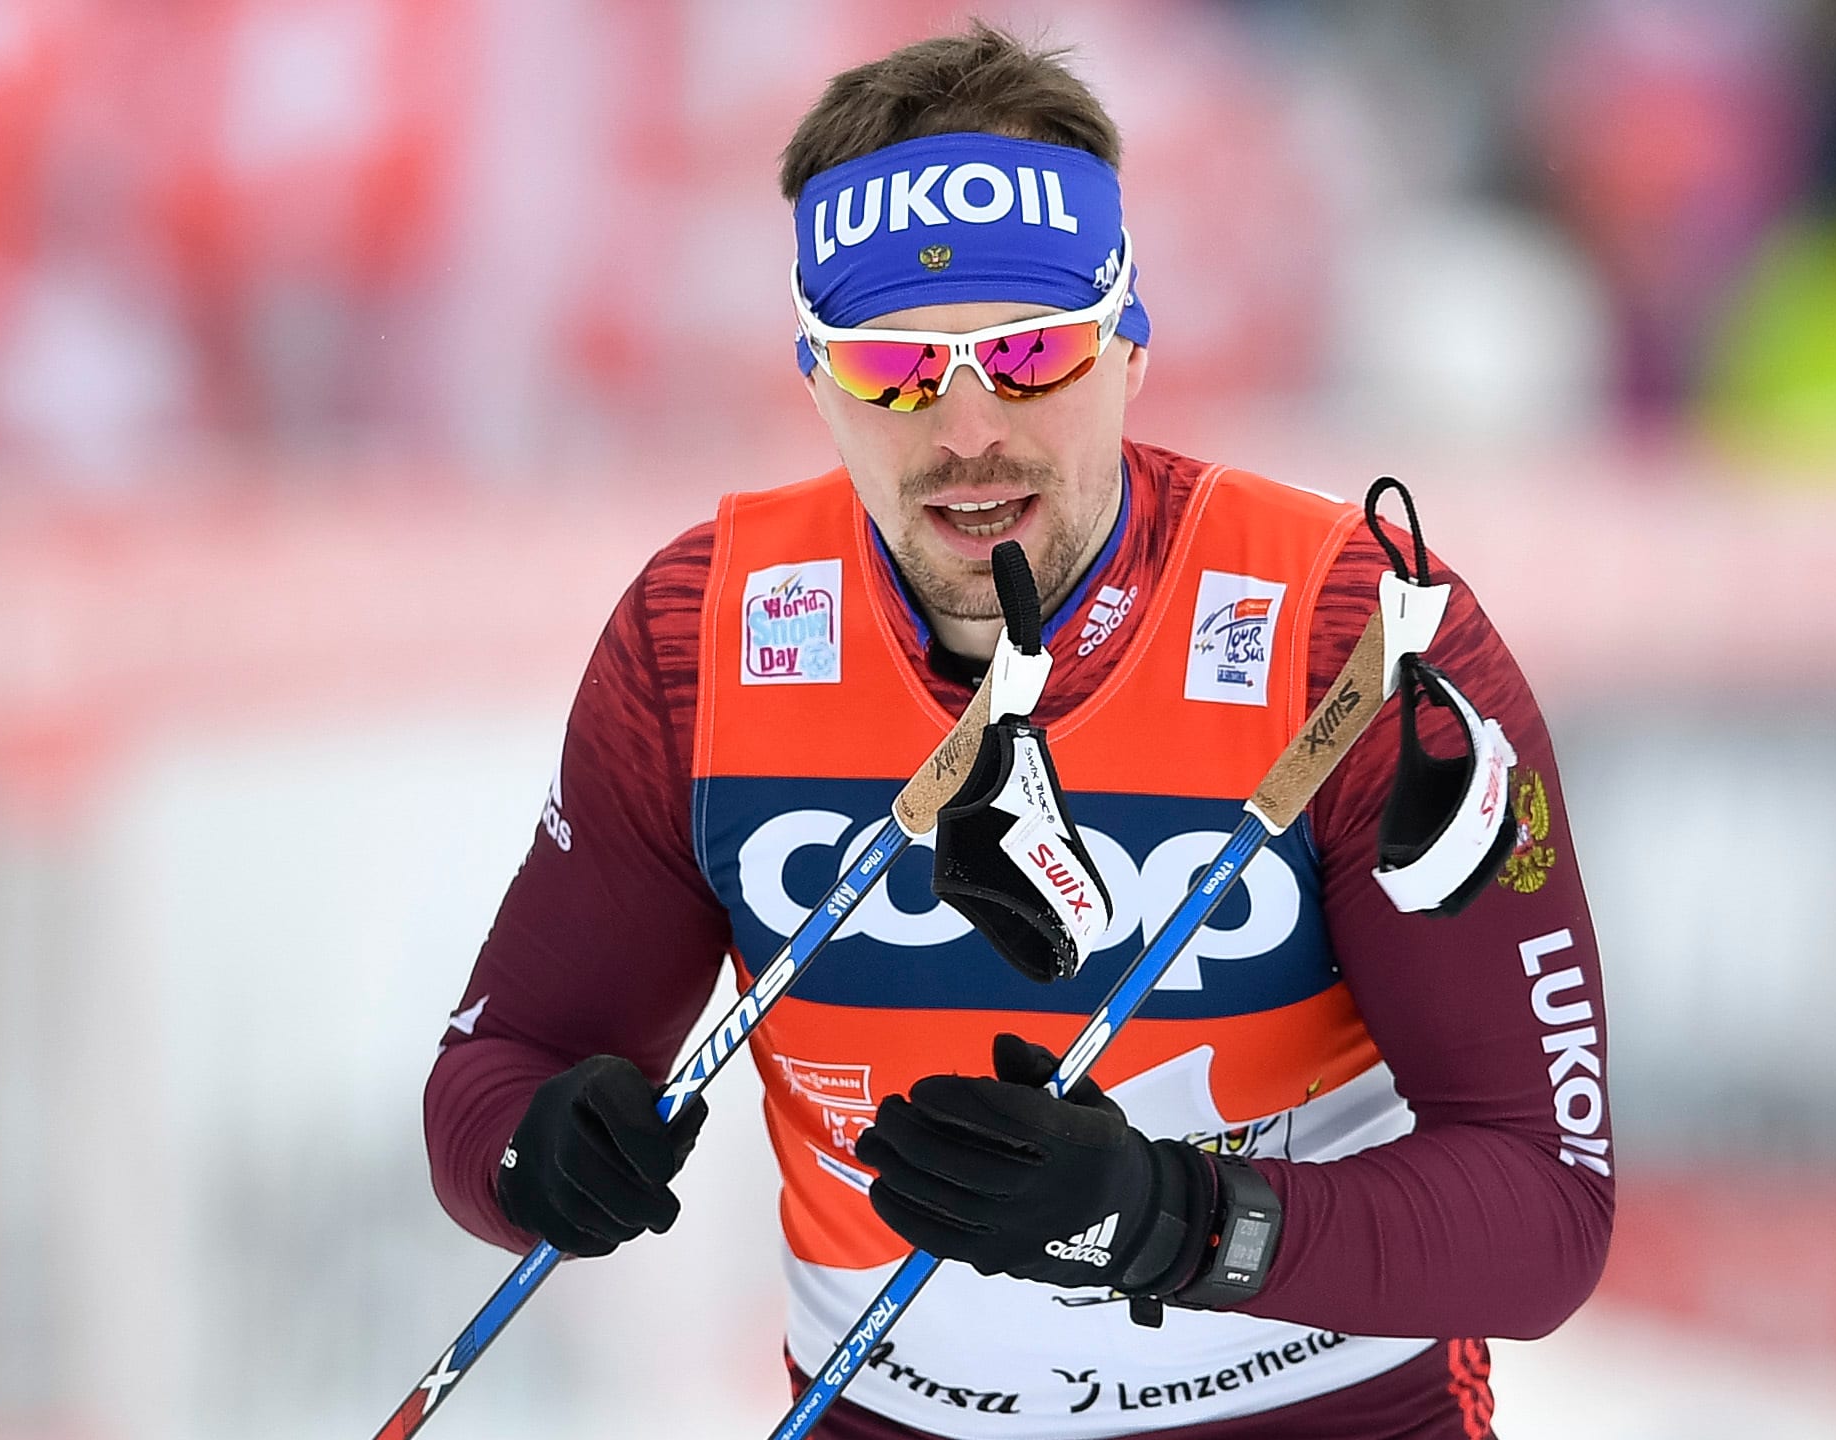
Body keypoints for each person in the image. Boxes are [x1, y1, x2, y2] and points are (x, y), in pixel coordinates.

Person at [425, 23, 1611, 1440]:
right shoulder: (705, 639)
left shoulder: (1347, 631)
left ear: (1130, 351)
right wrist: (537, 1157)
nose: (969, 429)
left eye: (1032, 354)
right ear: (815, 379)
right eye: (893, 367)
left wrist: (1171, 1219)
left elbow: (1546, 1211)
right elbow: (498, 1069)